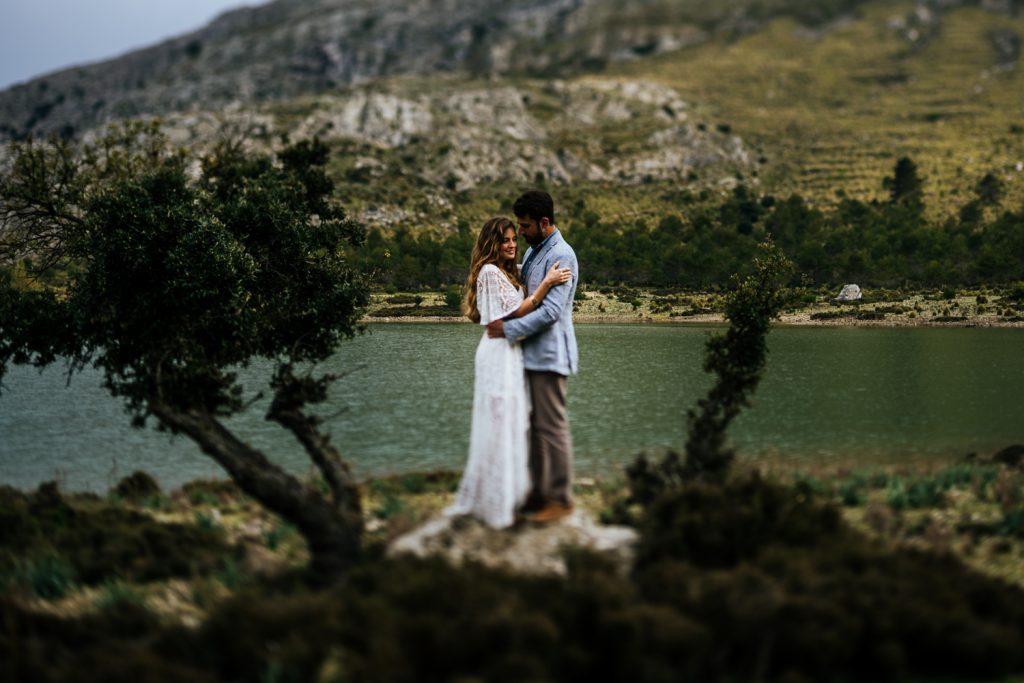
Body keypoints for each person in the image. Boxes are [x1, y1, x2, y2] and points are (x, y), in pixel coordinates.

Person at [446, 216, 572, 528]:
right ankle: (497, 506)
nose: (512, 244)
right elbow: (511, 314)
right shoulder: (489, 272)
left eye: (515, 238)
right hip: (497, 354)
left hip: (511, 354)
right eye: (505, 240)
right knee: (499, 427)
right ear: (492, 243)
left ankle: (510, 498)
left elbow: (524, 285)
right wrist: (545, 286)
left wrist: (545, 274)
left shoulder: (507, 271)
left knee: (513, 426)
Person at [486, 190, 579, 523]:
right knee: (533, 428)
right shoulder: (537, 251)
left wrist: (507, 331)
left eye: (525, 226)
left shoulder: (562, 256)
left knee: (552, 427)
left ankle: (560, 498)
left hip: (550, 356)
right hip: (530, 355)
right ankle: (539, 494)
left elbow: (551, 311)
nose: (521, 232)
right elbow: (524, 281)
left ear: (544, 223)